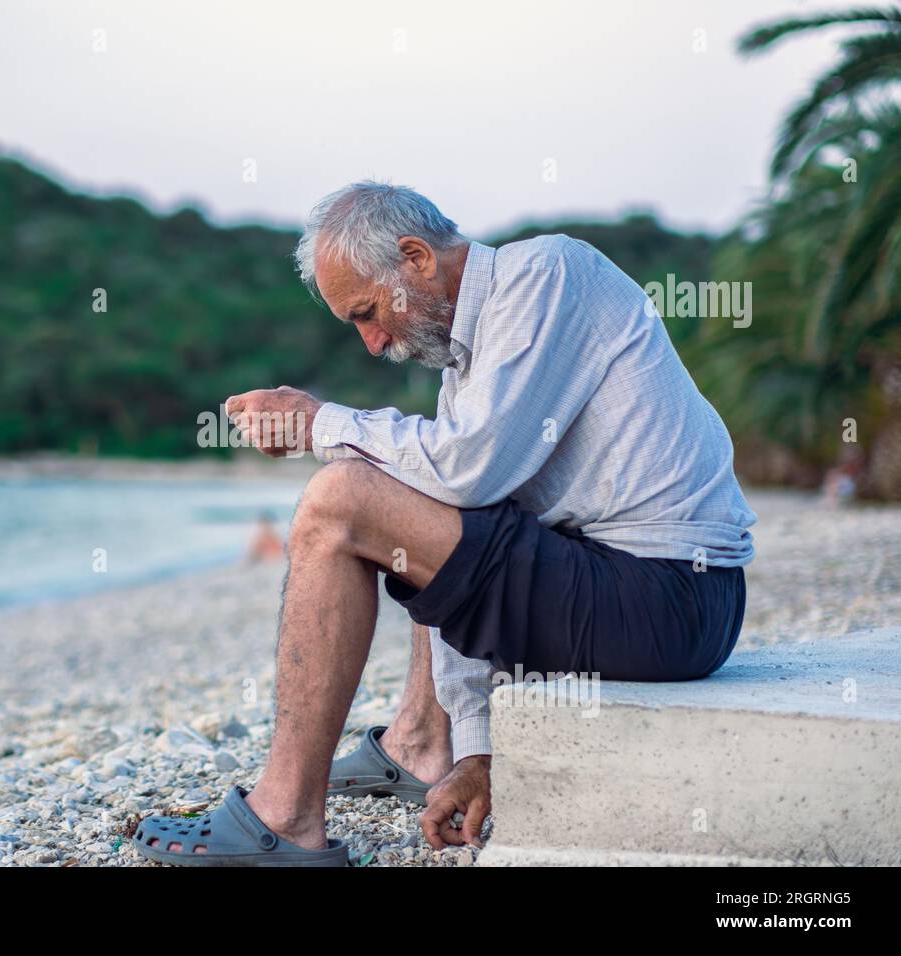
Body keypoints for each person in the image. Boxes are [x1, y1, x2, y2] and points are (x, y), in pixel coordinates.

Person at [134, 181, 756, 866]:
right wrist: (480, 748)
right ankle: (425, 745)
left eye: (368, 313)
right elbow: (469, 507)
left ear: (416, 258)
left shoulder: (547, 275)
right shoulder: (473, 357)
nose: (373, 342)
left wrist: (321, 424)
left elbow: (467, 472)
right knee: (404, 482)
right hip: (645, 593)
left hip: (670, 597)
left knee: (339, 500)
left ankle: (281, 821)